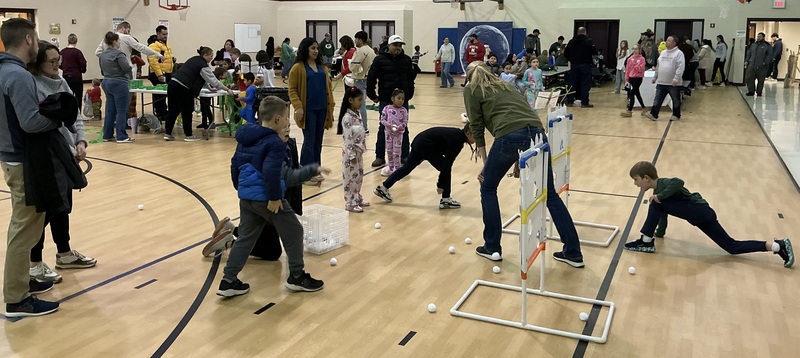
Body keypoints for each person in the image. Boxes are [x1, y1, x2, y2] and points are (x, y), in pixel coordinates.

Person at [463, 61, 584, 267]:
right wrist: (519, 158)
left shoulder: (471, 89)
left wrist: (485, 164)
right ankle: (573, 252)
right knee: (550, 194)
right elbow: (523, 116)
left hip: (509, 136)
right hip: (537, 133)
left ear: (469, 76)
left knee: (488, 188)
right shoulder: (507, 85)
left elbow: (477, 126)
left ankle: (492, 246)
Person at [218, 96, 331, 297]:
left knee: (245, 239)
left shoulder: (246, 138)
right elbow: (277, 174)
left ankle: (228, 280)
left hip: (247, 198)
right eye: (287, 118)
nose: (288, 123)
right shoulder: (274, 143)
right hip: (267, 198)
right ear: (278, 119)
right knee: (294, 231)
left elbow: (234, 166)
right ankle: (296, 276)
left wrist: (242, 190)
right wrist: (275, 196)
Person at [0, 18, 61, 317]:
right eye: (36, 38)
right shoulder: (18, 75)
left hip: (10, 157)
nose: (37, 43)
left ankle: (22, 283)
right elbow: (31, 122)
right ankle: (16, 299)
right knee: (24, 231)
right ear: (28, 39)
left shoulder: (2, 70)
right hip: (23, 160)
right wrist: (58, 118)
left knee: (25, 226)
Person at [624, 161, 794, 268]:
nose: (635, 183)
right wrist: (660, 233)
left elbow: (678, 182)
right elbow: (663, 214)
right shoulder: (660, 196)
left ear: (646, 178)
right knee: (732, 247)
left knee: (655, 202)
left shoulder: (664, 184)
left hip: (699, 210)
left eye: (636, 179)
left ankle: (645, 242)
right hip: (702, 216)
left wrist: (659, 196)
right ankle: (777, 246)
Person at [27, 40, 96, 284]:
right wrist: (67, 146)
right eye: (52, 62)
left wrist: (80, 141)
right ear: (38, 63)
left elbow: (73, 115)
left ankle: (64, 253)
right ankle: (34, 263)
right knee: (45, 209)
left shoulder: (61, 81)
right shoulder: (31, 84)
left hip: (64, 153)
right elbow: (43, 124)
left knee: (63, 203)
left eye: (59, 61)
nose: (58, 66)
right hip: (44, 155)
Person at [374, 123, 474, 210]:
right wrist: (440, 184)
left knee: (406, 168)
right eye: (476, 135)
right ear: (468, 133)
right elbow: (447, 164)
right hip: (425, 145)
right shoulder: (457, 141)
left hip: (421, 142)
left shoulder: (457, 136)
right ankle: (446, 199)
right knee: (445, 167)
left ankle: (383, 187)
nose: (478, 138)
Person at [288, 37, 335, 178]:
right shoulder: (297, 68)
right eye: (312, 48)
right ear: (305, 49)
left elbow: (329, 89)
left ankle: (316, 170)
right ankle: (305, 172)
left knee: (318, 142)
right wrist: (298, 107)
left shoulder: (322, 67)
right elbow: (292, 90)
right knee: (309, 141)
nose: (315, 51)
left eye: (316, 48)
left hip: (322, 109)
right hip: (308, 110)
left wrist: (330, 109)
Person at [165, 46, 235, 142]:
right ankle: (188, 135)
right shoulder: (203, 65)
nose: (212, 58)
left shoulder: (193, 59)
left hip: (172, 84)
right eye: (211, 56)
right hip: (183, 87)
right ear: (205, 55)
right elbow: (213, 80)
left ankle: (168, 133)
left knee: (173, 110)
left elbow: (203, 79)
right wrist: (226, 89)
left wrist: (210, 88)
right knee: (187, 111)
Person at [366, 35, 416, 168]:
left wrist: (409, 94)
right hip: (385, 101)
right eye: (395, 45)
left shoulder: (406, 60)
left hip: (402, 102)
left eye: (400, 45)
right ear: (389, 46)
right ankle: (380, 157)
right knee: (383, 128)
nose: (398, 48)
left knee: (403, 128)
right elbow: (371, 78)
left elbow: (411, 79)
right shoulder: (379, 60)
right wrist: (372, 95)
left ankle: (405, 155)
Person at [98, 32, 136, 143]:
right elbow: (126, 68)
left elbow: (101, 70)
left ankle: (107, 135)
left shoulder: (102, 55)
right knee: (121, 110)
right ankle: (121, 136)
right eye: (119, 40)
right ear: (114, 41)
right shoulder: (119, 54)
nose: (120, 42)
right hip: (119, 83)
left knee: (110, 110)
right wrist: (132, 66)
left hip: (106, 82)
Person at [341, 87, 369, 213]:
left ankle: (357, 197)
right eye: (359, 100)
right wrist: (351, 155)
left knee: (359, 176)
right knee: (350, 178)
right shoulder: (347, 118)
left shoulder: (357, 114)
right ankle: (350, 202)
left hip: (359, 152)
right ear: (350, 100)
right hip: (350, 154)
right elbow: (348, 139)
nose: (361, 102)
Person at [644, 35, 685, 122]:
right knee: (657, 99)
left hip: (673, 83)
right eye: (666, 40)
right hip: (661, 81)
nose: (666, 42)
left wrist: (676, 78)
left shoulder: (679, 53)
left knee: (675, 99)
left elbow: (680, 67)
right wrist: (655, 77)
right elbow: (659, 65)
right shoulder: (663, 53)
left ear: (674, 43)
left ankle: (676, 115)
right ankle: (654, 114)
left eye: (669, 41)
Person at [349, 31, 376, 131]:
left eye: (355, 39)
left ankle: (363, 127)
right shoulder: (371, 50)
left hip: (360, 80)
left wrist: (351, 66)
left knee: (360, 104)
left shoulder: (361, 51)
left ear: (359, 40)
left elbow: (354, 66)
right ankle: (363, 125)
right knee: (362, 103)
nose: (355, 41)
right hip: (368, 79)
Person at [565, 27, 597, 108]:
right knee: (585, 84)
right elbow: (595, 52)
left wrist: (571, 59)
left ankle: (570, 101)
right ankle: (584, 102)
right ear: (585, 32)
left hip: (574, 65)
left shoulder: (571, 41)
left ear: (577, 32)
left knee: (572, 83)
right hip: (585, 65)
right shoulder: (588, 41)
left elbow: (566, 53)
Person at [379, 89, 408, 177]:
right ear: (392, 98)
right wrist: (389, 126)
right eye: (398, 98)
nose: (400, 101)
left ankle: (397, 168)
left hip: (398, 135)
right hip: (388, 134)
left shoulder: (404, 110)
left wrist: (398, 127)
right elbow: (382, 119)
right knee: (389, 150)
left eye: (402, 99)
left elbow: (405, 122)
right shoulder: (387, 108)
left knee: (397, 151)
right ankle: (391, 167)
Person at [148, 25, 173, 122]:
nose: (165, 36)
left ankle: (164, 111)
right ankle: (161, 113)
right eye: (163, 34)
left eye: (166, 34)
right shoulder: (154, 45)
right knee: (159, 95)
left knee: (165, 94)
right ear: (158, 34)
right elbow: (153, 61)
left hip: (167, 72)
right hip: (158, 74)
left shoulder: (166, 44)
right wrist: (159, 74)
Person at [333, 35, 357, 135]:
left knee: (349, 101)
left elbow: (350, 67)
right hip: (347, 79)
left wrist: (340, 74)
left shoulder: (351, 52)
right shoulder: (349, 52)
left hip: (350, 80)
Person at [60, 34, 87, 112]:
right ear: (76, 41)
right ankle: (77, 114)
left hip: (66, 76)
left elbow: (59, 63)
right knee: (78, 96)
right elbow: (83, 63)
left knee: (67, 96)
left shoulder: (62, 52)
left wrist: (64, 68)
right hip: (76, 76)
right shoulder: (78, 52)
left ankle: (68, 112)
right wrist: (82, 70)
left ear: (68, 41)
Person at [621, 44, 646, 118]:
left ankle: (629, 110)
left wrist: (635, 64)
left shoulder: (642, 59)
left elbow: (641, 69)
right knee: (637, 93)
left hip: (638, 78)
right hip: (631, 78)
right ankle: (644, 108)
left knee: (632, 93)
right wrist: (627, 79)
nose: (634, 51)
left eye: (636, 49)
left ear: (639, 50)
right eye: (633, 49)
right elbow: (627, 69)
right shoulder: (629, 59)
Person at [745, 32, 773, 97]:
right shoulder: (753, 45)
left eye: (760, 36)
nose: (758, 37)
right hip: (752, 65)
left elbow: (769, 55)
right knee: (749, 78)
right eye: (758, 36)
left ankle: (759, 92)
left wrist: (765, 62)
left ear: (763, 37)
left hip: (762, 66)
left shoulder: (767, 46)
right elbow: (749, 53)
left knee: (760, 80)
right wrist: (747, 61)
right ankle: (751, 91)